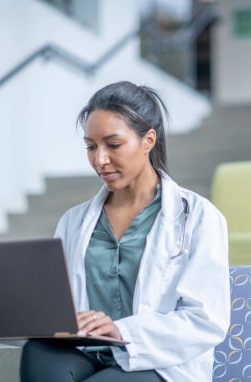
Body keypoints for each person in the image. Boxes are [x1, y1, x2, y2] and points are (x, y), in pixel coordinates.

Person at [20, 81, 230, 381]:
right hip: (87, 352)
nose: (99, 160)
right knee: (37, 353)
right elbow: (59, 302)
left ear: (148, 140)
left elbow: (205, 320)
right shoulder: (73, 222)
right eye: (91, 147)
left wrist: (122, 330)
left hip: (159, 363)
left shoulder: (198, 217)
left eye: (113, 145)